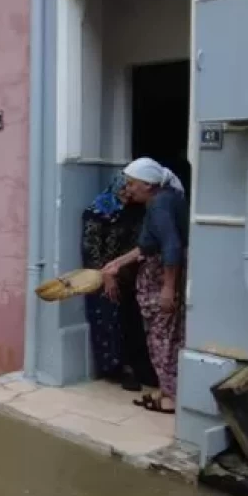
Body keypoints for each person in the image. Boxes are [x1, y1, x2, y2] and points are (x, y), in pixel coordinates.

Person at [100, 157, 189, 414]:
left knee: (162, 337)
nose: (129, 188)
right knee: (165, 335)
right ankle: (165, 389)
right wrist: (117, 263)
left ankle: (170, 397)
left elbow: (171, 246)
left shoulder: (160, 204)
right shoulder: (164, 199)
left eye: (132, 183)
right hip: (159, 271)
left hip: (161, 277)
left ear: (148, 185)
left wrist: (168, 288)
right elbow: (149, 245)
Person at [80, 176, 156, 392]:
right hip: (104, 276)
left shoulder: (137, 210)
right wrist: (107, 275)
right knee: (109, 316)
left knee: (134, 321)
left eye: (129, 189)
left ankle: (141, 366)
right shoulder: (96, 212)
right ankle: (118, 368)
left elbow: (142, 243)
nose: (127, 193)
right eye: (123, 189)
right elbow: (91, 250)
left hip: (130, 274)